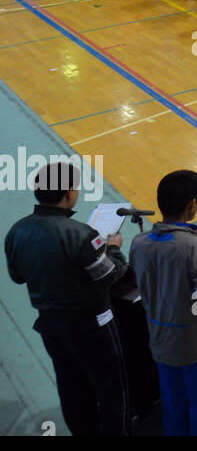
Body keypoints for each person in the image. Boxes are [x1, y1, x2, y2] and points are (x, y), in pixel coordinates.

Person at [4, 160, 130, 436]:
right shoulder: (82, 235)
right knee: (111, 390)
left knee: (71, 387)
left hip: (50, 325)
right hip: (91, 325)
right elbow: (110, 274)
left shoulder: (17, 231)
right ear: (69, 192)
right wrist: (113, 249)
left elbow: (17, 276)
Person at [129, 170, 197, 436]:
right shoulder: (195, 248)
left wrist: (187, 233)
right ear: (192, 205)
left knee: (174, 413)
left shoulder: (139, 243)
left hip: (162, 343)